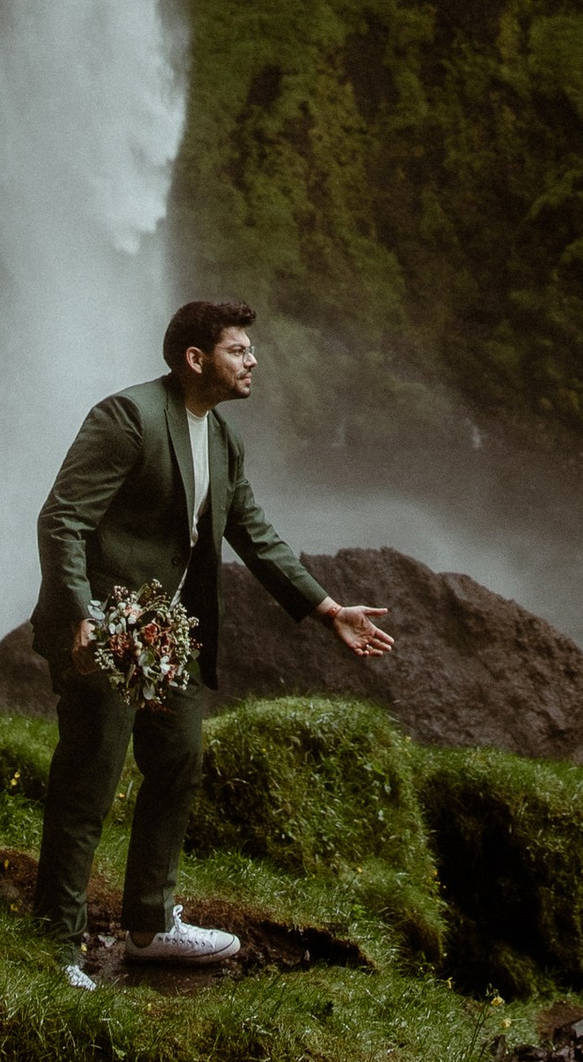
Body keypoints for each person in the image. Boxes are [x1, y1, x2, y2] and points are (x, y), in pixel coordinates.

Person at [32, 297, 394, 988]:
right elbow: (63, 520)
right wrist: (80, 614)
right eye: (239, 350)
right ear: (196, 358)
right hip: (105, 631)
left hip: (167, 633)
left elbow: (253, 533)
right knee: (90, 779)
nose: (254, 360)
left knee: (179, 761)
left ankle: (149, 924)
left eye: (250, 350)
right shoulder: (128, 418)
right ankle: (56, 944)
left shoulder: (222, 440)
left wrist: (327, 610)